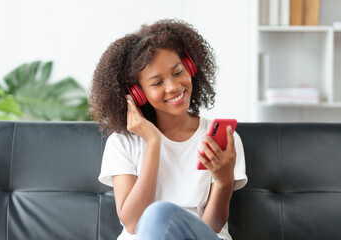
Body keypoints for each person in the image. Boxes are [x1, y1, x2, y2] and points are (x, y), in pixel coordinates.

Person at [90, 19, 247, 240]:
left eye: (177, 72)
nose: (173, 87)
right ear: (138, 94)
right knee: (156, 214)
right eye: (157, 83)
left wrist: (223, 181)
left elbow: (212, 226)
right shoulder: (122, 143)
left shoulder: (221, 139)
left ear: (190, 68)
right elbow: (135, 224)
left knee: (161, 214)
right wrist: (153, 143)